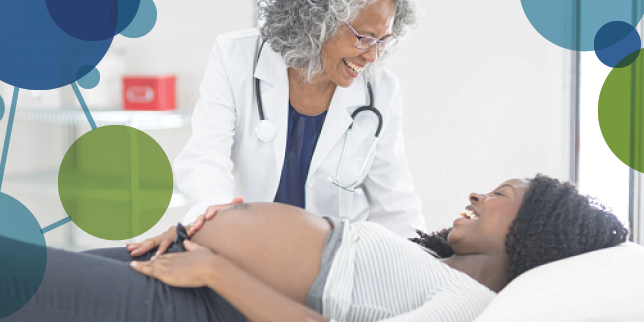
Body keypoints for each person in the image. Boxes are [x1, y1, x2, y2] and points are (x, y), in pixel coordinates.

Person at [2, 175, 628, 322]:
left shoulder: (464, 304)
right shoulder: (438, 269)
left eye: (499, 194)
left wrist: (216, 266)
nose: (476, 194)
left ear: (532, 229)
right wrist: (203, 231)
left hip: (193, 304)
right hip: (179, 264)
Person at [170, 0, 426, 246]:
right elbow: (205, 157)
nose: (373, 56)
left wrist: (425, 267)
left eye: (383, 41)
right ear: (319, 19)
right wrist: (216, 212)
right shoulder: (236, 56)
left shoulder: (381, 89)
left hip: (335, 263)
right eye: (365, 37)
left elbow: (394, 204)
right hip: (247, 244)